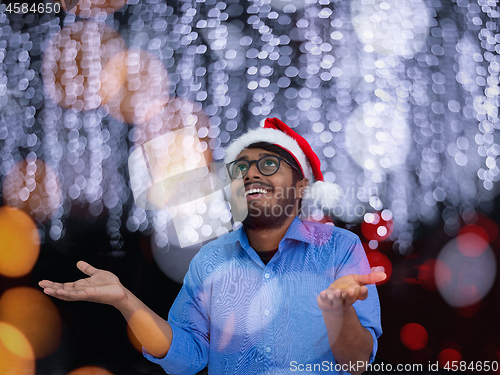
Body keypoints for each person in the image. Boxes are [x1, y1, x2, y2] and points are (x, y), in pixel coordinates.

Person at [39, 118, 385, 375]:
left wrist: (338, 311)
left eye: (268, 164)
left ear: (301, 187)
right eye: (240, 168)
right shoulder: (211, 259)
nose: (250, 174)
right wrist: (124, 301)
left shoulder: (339, 248)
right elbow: (186, 356)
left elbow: (356, 363)